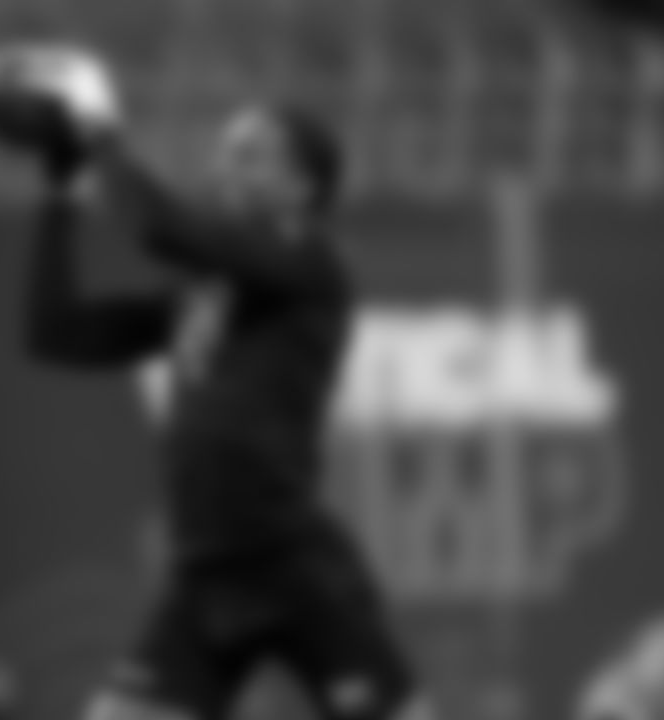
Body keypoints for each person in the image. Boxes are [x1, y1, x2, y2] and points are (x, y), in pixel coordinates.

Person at [22, 102, 425, 720]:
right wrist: (59, 197)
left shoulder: (310, 261)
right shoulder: (200, 291)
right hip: (203, 577)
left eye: (249, 155)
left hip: (295, 568)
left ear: (302, 187)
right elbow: (58, 332)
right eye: (221, 155)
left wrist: (102, 141)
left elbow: (165, 227)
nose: (223, 169)